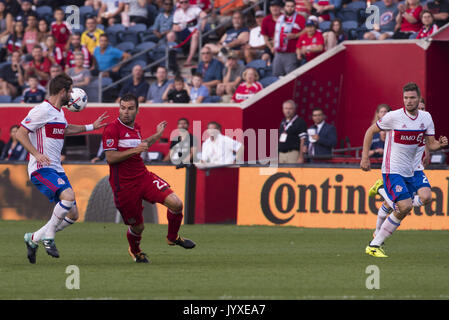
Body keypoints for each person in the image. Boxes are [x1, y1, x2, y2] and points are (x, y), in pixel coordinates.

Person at [18, 73, 109, 264]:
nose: (71, 94)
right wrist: (36, 154)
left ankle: (33, 238)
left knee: (73, 214)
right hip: (41, 168)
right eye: (69, 90)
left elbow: (65, 129)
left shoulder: (59, 112)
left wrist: (92, 126)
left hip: (56, 168)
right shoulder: (41, 110)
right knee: (67, 196)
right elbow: (20, 133)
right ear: (62, 91)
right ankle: (49, 238)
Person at [102, 93, 195, 263]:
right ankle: (135, 251)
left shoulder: (135, 127)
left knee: (176, 203)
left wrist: (157, 135)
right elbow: (110, 157)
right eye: (122, 108)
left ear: (137, 110)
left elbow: (142, 145)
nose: (126, 112)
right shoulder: (112, 129)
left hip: (143, 177)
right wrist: (134, 150)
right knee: (138, 226)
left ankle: (172, 237)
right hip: (124, 186)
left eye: (130, 108)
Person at [361, 82, 448, 258]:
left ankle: (376, 240)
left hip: (413, 169)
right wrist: (365, 157)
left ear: (418, 98)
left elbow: (431, 144)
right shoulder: (394, 117)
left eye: (412, 98)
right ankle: (374, 244)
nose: (408, 101)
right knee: (405, 206)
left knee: (425, 197)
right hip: (392, 169)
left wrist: (440, 144)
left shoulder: (426, 118)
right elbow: (370, 131)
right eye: (406, 98)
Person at [368, 97, 430, 241]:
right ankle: (377, 233)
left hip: (415, 168)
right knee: (398, 204)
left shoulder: (425, 121)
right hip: (397, 168)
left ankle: (377, 230)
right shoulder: (399, 122)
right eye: (418, 108)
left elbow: (424, 139)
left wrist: (428, 153)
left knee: (402, 202)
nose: (420, 111)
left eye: (422, 109)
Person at [272, 0, 306, 77]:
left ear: (295, 7)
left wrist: (296, 35)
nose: (290, 8)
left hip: (291, 52)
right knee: (276, 77)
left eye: (292, 6)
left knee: (290, 77)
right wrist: (274, 45)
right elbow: (276, 32)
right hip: (279, 53)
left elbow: (306, 31)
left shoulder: (300, 18)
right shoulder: (280, 18)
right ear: (284, 7)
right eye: (288, 6)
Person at [172, 0, 207, 67]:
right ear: (179, 3)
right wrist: (177, 27)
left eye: (186, 2)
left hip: (194, 32)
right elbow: (174, 26)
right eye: (181, 2)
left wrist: (201, 28)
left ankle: (189, 60)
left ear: (189, 2)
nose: (184, 4)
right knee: (170, 35)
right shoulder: (177, 12)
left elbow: (204, 16)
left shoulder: (194, 9)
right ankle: (172, 61)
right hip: (182, 32)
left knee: (195, 35)